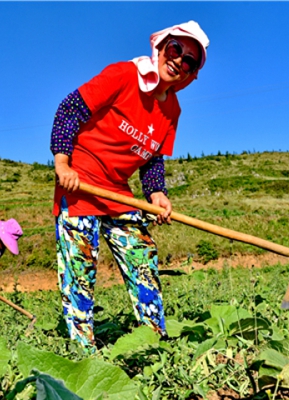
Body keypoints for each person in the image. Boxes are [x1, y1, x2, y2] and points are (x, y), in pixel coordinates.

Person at [50, 21, 209, 352]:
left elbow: (152, 159)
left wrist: (157, 194)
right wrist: (63, 163)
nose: (180, 60)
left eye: (190, 60)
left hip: (117, 192)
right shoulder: (124, 75)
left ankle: (155, 343)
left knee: (143, 257)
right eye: (176, 49)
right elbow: (70, 110)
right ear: (161, 47)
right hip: (79, 184)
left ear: (190, 76)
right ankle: (83, 355)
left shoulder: (172, 109)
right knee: (80, 271)